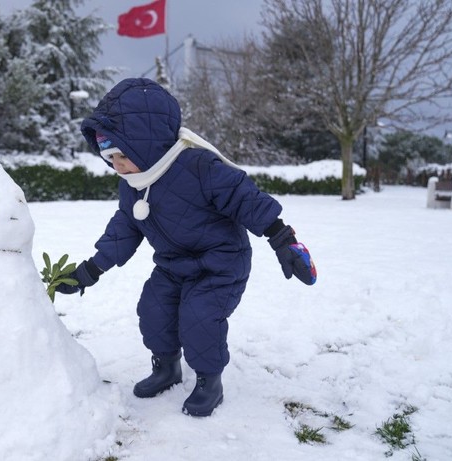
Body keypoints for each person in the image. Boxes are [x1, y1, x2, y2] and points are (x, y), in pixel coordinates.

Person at [57, 78, 316, 417]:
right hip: (173, 265)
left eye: (123, 154)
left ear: (145, 145)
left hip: (221, 264)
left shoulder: (198, 167)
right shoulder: (133, 186)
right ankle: (166, 367)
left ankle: (210, 379)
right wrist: (89, 271)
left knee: (200, 317)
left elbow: (245, 199)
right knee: (153, 309)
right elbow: (124, 230)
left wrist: (282, 239)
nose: (117, 165)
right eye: (110, 157)